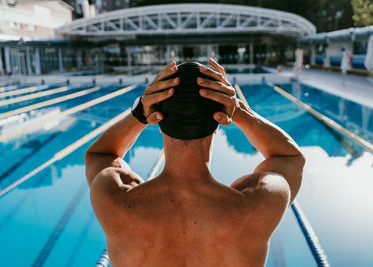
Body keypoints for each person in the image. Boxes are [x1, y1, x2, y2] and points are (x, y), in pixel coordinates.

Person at [85, 59, 305, 267]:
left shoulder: (115, 201)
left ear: (157, 120)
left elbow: (99, 155)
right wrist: (238, 110)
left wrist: (140, 113)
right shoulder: (257, 207)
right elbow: (290, 158)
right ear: (218, 121)